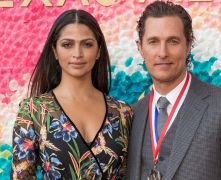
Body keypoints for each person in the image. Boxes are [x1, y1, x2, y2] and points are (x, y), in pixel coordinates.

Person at [127, 1, 221, 180]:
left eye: (173, 41)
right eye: (153, 41)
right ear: (140, 48)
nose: (162, 52)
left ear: (188, 45)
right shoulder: (133, 114)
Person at [11, 9, 133, 179]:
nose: (77, 54)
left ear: (98, 51)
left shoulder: (123, 112)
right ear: (54, 50)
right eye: (67, 44)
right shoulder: (33, 110)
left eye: (87, 44)